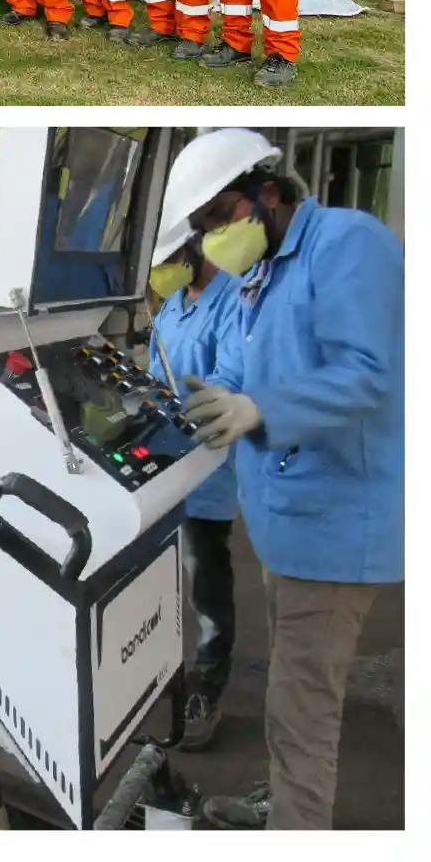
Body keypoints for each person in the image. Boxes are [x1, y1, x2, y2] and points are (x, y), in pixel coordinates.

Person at [158, 129, 402, 829]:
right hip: (285, 526)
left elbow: (366, 373)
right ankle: (289, 801)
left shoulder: (347, 244)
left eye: (219, 219)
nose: (214, 241)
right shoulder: (260, 274)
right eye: (203, 229)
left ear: (268, 193)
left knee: (303, 707)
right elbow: (235, 369)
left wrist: (260, 408)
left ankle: (297, 824)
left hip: (335, 525)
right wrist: (202, 401)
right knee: (293, 691)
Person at [145, 228, 242, 750]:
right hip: (161, 468)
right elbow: (150, 376)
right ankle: (166, 671)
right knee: (161, 579)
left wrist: (168, 410)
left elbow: (227, 383)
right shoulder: (171, 307)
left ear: (195, 247)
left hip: (207, 469)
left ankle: (208, 684)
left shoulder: (233, 301)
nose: (162, 272)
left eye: (169, 259)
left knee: (206, 582)